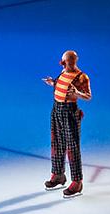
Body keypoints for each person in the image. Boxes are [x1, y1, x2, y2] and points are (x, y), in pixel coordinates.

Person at [41, 50, 92, 198]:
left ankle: (77, 181)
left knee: (72, 147)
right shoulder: (63, 72)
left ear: (73, 62)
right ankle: (58, 175)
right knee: (56, 143)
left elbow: (88, 96)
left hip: (70, 112)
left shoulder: (82, 77)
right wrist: (53, 83)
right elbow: (61, 86)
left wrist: (77, 93)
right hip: (56, 110)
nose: (63, 64)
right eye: (63, 62)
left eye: (66, 62)